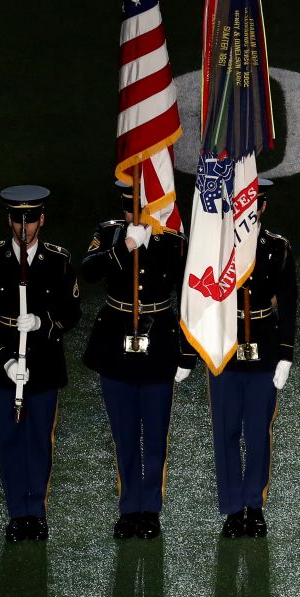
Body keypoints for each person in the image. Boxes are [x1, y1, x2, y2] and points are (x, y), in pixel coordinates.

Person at [80, 179, 194, 541]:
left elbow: (192, 294)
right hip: (115, 346)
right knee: (124, 434)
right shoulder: (110, 234)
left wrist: (187, 353)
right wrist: (127, 245)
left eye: (142, 209)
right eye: (130, 209)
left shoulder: (172, 240)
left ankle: (151, 510)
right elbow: (89, 270)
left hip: (159, 343)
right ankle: (130, 508)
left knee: (156, 435)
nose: (135, 215)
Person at [0, 185, 82, 543]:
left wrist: (42, 322)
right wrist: (3, 362)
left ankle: (37, 512)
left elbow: (72, 311)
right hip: (3, 367)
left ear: (41, 220)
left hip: (44, 365)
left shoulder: (60, 260)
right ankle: (17, 513)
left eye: (30, 219)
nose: (23, 226)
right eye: (17, 218)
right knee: (9, 440)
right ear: (8, 220)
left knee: (39, 440)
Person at [209, 178, 296, 539]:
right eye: (243, 204)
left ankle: (254, 506)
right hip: (226, 349)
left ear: (262, 207)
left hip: (264, 350)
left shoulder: (278, 248)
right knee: (225, 432)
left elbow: (289, 304)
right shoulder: (214, 246)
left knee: (258, 433)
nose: (250, 210)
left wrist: (286, 355)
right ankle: (232, 509)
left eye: (255, 204)